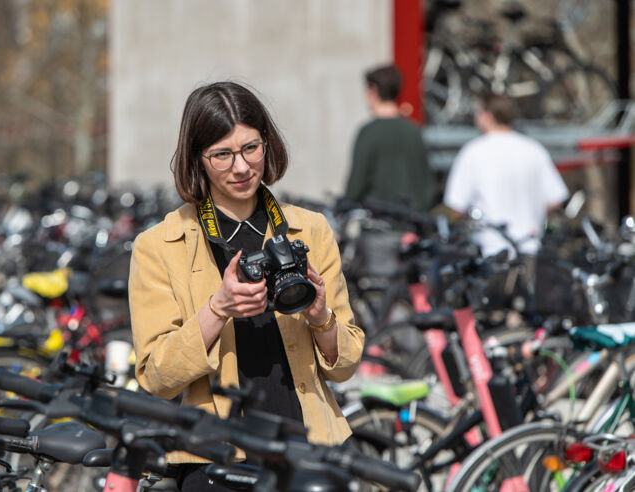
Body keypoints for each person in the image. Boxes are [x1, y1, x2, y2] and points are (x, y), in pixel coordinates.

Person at [128, 81, 364, 491]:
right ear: (197, 159)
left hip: (310, 448)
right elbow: (157, 378)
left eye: (251, 148)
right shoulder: (159, 246)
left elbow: (346, 366)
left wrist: (321, 317)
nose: (240, 167)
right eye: (221, 155)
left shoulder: (310, 229)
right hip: (216, 458)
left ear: (267, 144)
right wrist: (218, 308)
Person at [443, 93, 569, 257]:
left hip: (490, 250)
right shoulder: (534, 149)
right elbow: (556, 198)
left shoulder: (473, 152)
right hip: (529, 247)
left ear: (487, 116)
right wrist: (531, 209)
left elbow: (456, 205)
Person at [344, 64, 436, 211]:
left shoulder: (369, 132)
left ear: (373, 90)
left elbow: (355, 186)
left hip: (378, 225)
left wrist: (343, 208)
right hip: (412, 227)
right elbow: (427, 186)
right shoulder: (414, 131)